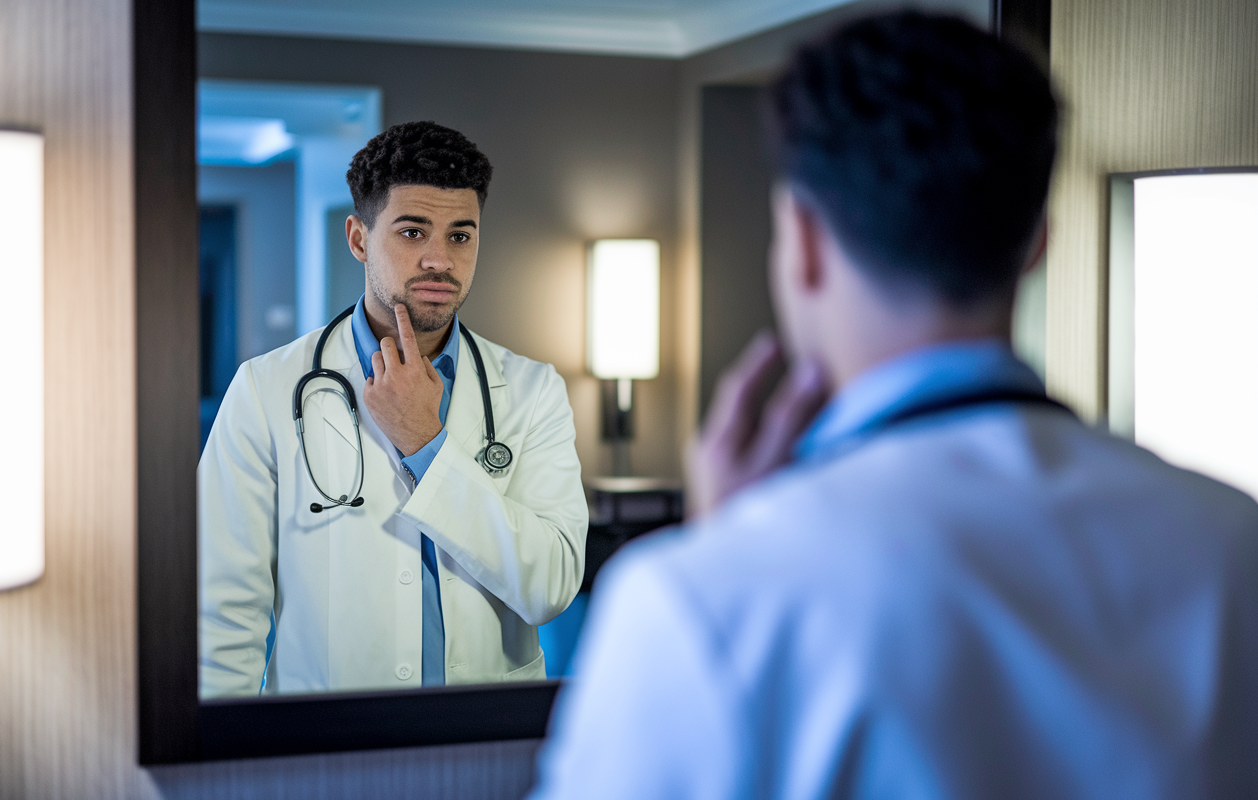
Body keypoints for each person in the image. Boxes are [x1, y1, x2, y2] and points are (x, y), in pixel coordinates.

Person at [531, 11, 1258, 799]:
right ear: (1037, 243)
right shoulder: (1231, 540)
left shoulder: (703, 598)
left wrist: (725, 556)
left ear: (803, 241)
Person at [199, 121, 588, 696]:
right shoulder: (265, 389)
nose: (439, 260)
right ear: (358, 239)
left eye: (461, 236)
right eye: (412, 232)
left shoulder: (534, 390)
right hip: (329, 744)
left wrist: (426, 445)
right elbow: (223, 613)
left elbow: (551, 587)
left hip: (483, 738)